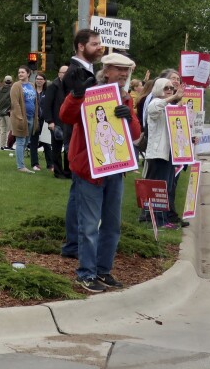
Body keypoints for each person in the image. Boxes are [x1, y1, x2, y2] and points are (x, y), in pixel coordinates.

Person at [60, 52, 141, 293]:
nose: (124, 75)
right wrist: (76, 95)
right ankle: (86, 273)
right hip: (89, 170)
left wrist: (129, 119)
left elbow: (134, 135)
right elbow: (66, 116)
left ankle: (103, 270)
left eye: (127, 71)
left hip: (115, 169)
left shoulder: (125, 98)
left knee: (112, 225)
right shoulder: (90, 91)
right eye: (119, 70)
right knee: (89, 225)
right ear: (106, 71)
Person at [60, 29, 103, 260]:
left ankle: (73, 243)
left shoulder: (89, 70)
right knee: (79, 194)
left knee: (77, 195)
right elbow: (71, 111)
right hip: (79, 139)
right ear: (80, 46)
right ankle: (75, 243)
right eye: (95, 44)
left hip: (90, 137)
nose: (99, 47)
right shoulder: (75, 73)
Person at [142, 77, 184, 227]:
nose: (169, 91)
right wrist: (174, 97)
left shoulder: (168, 106)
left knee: (166, 187)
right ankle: (156, 220)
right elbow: (155, 109)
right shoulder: (154, 102)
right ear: (158, 88)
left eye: (171, 88)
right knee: (158, 188)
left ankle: (161, 218)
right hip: (158, 153)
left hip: (169, 153)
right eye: (166, 88)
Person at [10, 66, 40, 173]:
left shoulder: (32, 85)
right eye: (19, 72)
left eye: (22, 72)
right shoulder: (16, 86)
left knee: (26, 141)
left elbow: (34, 102)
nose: (20, 74)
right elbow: (15, 103)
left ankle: (20, 162)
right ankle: (21, 166)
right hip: (21, 118)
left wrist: (35, 117)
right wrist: (20, 117)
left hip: (31, 117)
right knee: (21, 141)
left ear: (28, 74)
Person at [44, 65, 71, 179]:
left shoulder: (71, 86)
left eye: (67, 72)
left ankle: (68, 171)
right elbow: (47, 105)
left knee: (68, 149)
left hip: (68, 123)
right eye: (63, 72)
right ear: (59, 74)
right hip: (56, 122)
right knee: (56, 148)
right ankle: (58, 172)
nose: (65, 75)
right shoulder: (53, 86)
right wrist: (50, 121)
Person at [29, 72, 54, 171]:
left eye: (41, 79)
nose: (39, 81)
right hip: (34, 120)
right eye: (37, 79)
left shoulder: (47, 92)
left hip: (46, 120)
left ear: (44, 81)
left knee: (47, 143)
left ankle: (50, 164)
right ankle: (35, 163)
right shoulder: (32, 91)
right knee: (33, 142)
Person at [0, 75, 14, 150]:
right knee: (11, 130)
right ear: (11, 82)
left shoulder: (0, 90)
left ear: (4, 81)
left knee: (3, 130)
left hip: (1, 112)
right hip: (9, 112)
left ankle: (2, 146)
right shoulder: (12, 90)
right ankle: (9, 145)